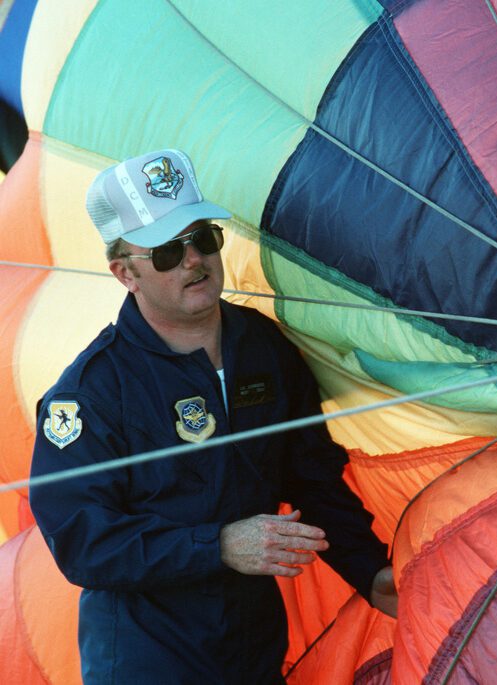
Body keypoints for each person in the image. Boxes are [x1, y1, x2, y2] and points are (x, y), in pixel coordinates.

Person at [29, 149, 396, 684]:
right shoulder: (90, 394)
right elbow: (83, 541)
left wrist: (371, 570)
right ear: (124, 273)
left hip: (252, 648)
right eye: (165, 253)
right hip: (147, 659)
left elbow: (311, 476)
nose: (192, 260)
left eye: (203, 238)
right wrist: (218, 546)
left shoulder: (262, 346)